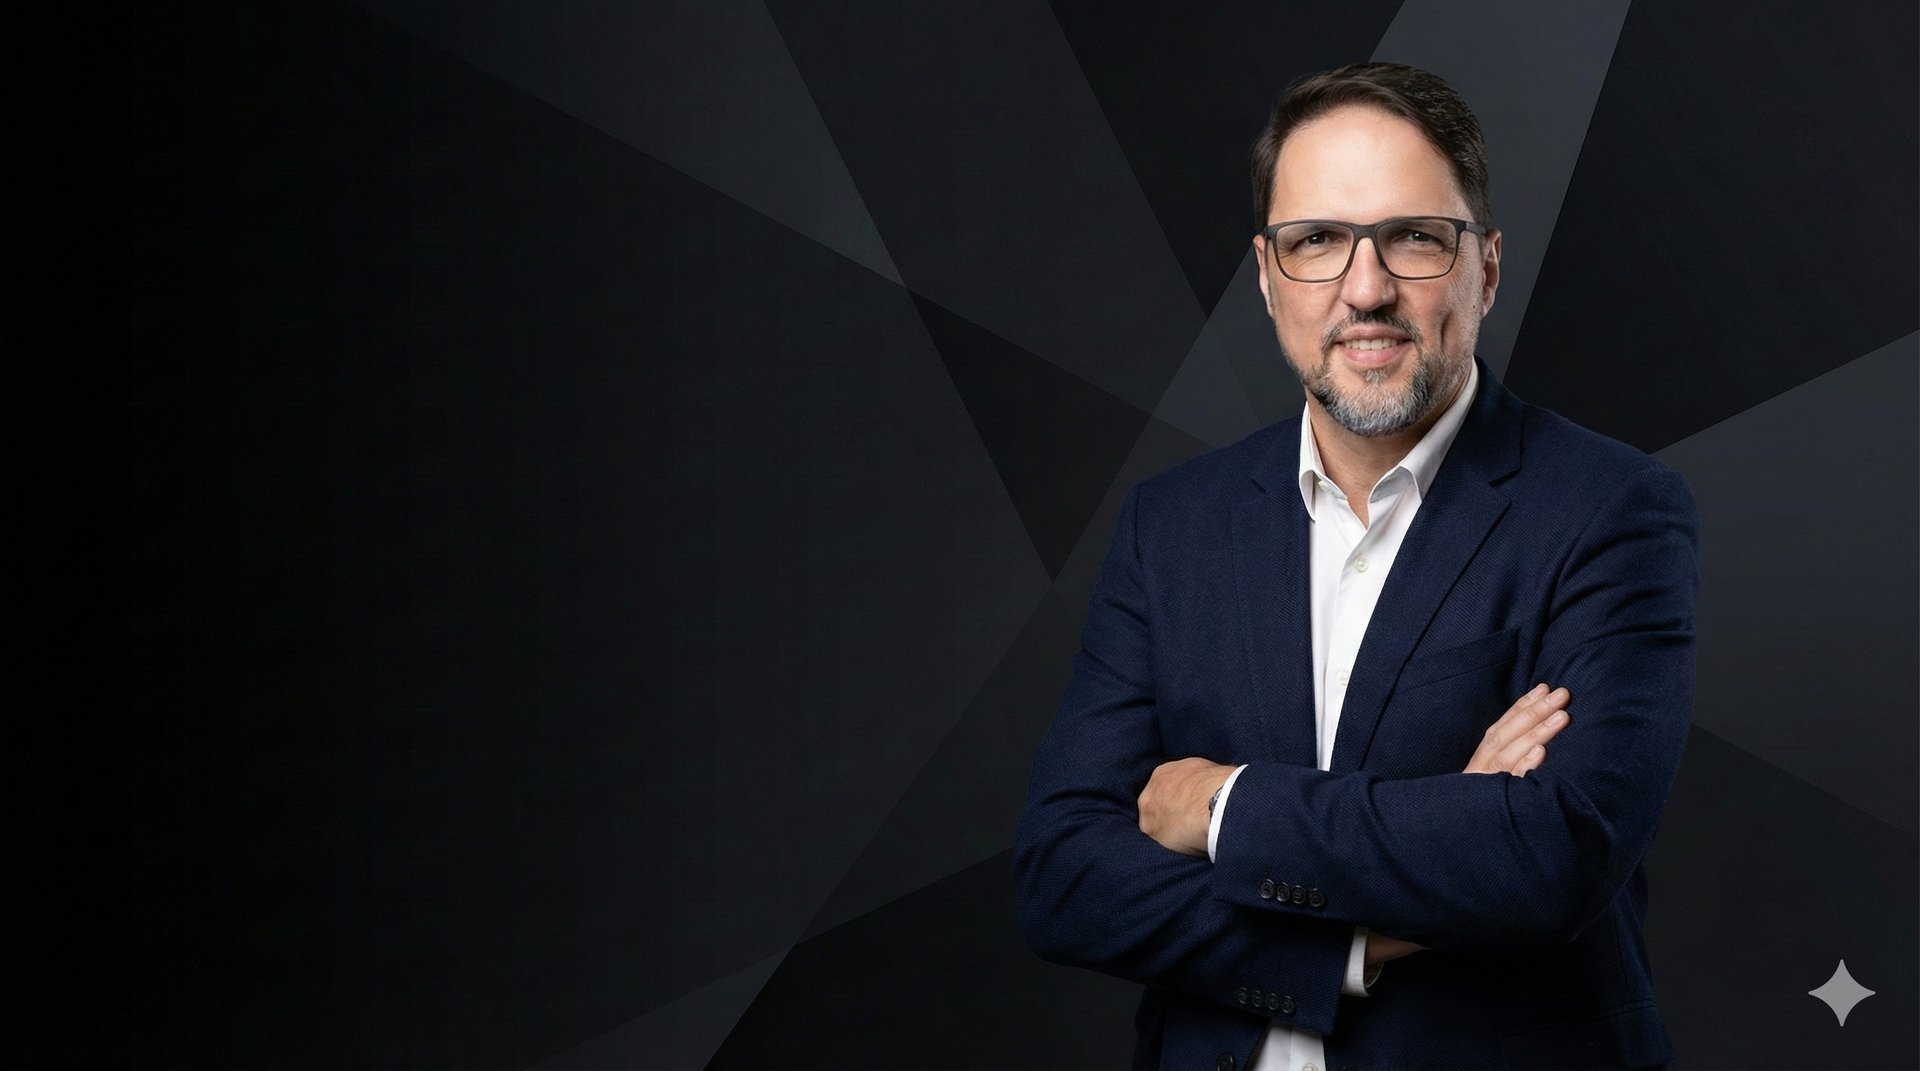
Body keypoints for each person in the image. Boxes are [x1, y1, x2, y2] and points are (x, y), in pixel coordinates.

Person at [1015, 62, 1697, 1070]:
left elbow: (1550, 857)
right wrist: (1367, 935)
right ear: (1265, 275)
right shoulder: (1174, 526)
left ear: (1487, 269)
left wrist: (1223, 807)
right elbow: (1065, 876)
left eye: (1414, 238)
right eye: (1317, 242)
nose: (1365, 289)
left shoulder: (1611, 511)